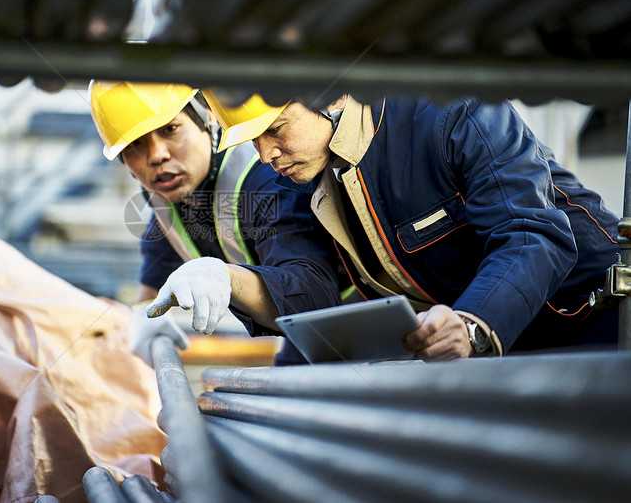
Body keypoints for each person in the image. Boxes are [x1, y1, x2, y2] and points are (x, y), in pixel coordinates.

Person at [202, 89, 620, 360]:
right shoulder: (297, 179)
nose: (265, 155)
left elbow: (532, 235)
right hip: (499, 351)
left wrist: (473, 324)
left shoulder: (451, 110)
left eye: (275, 129)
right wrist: (227, 278)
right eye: (251, 141)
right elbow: (311, 294)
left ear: (334, 95)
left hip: (594, 324)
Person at [88, 80, 342, 365]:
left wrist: (226, 277)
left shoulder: (268, 181)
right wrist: (144, 308)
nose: (156, 155)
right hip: (302, 334)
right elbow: (163, 242)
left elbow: (315, 300)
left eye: (170, 129)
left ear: (207, 116)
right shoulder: (165, 191)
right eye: (134, 143)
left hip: (359, 320)